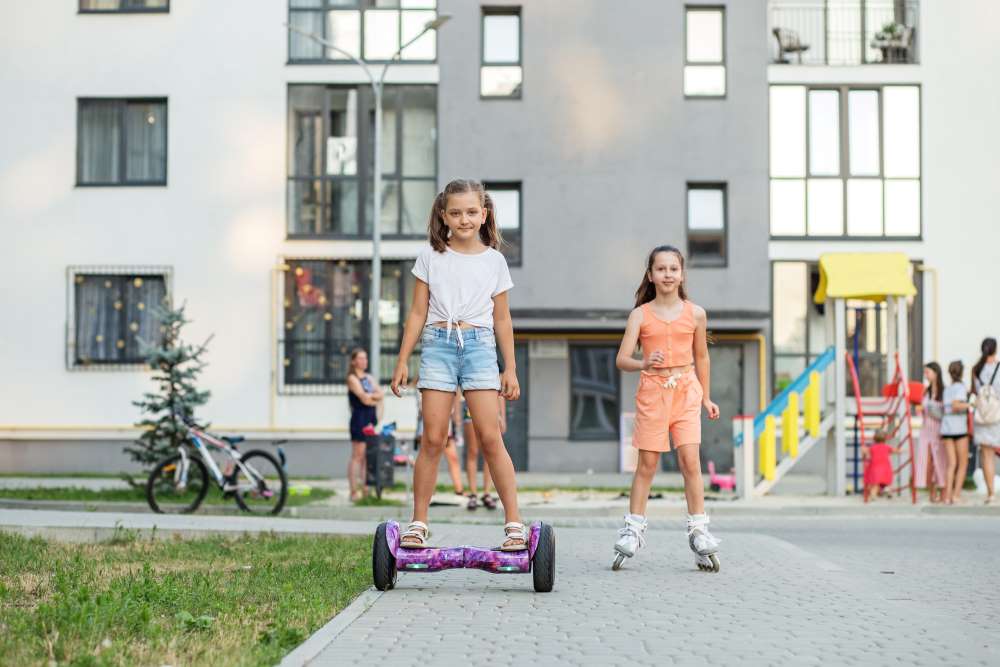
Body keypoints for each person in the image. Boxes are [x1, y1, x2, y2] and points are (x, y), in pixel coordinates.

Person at [390, 179, 524, 550]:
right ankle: (418, 523)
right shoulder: (431, 257)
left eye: (470, 212)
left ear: (483, 214)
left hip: (480, 347)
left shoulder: (494, 260)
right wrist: (403, 360)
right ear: (443, 215)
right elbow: (417, 312)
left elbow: (502, 319)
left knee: (490, 436)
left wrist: (509, 368)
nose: (463, 219)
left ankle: (514, 523)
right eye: (455, 212)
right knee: (433, 438)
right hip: (438, 346)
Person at [611, 245, 722, 571]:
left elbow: (701, 356)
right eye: (661, 269)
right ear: (651, 275)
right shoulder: (640, 315)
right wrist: (645, 362)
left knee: (691, 461)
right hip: (653, 393)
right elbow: (622, 359)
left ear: (682, 274)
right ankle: (633, 529)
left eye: (674, 269)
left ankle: (699, 530)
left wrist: (706, 396)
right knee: (647, 465)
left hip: (687, 391)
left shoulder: (696, 313)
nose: (668, 274)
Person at [413, 377, 465, 496]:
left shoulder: (449, 378)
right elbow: (422, 407)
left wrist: (455, 417)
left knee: (452, 457)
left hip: (446, 423)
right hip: (428, 423)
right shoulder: (423, 382)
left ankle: (459, 489)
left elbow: (454, 399)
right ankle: (428, 490)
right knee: (430, 457)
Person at [458, 385, 504, 511]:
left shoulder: (496, 366)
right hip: (470, 408)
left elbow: (500, 394)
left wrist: (502, 417)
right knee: (472, 451)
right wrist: (456, 417)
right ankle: (473, 494)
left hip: (489, 407)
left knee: (489, 452)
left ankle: (486, 493)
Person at [346, 348, 383, 502]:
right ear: (354, 361)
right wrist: (373, 397)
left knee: (368, 456)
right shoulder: (352, 378)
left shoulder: (368, 377)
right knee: (357, 455)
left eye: (365, 358)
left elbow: (380, 394)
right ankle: (353, 491)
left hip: (370, 418)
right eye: (360, 358)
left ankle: (366, 489)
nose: (364, 361)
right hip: (359, 418)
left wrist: (372, 397)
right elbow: (363, 398)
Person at [971, 337, 1000, 504]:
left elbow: (975, 390)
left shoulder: (976, 369)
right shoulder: (998, 367)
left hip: (982, 416)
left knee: (986, 455)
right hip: (997, 415)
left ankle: (990, 494)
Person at [917, 362, 949, 503]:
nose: (926, 375)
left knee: (941, 463)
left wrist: (931, 410)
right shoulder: (926, 391)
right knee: (928, 463)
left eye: (927, 372)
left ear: (936, 373)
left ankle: (943, 493)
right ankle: (932, 493)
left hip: (939, 430)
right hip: (926, 431)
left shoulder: (945, 391)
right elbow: (922, 411)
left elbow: (945, 413)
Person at [941, 360, 971, 505]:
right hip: (959, 429)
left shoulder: (947, 389)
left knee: (951, 464)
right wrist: (971, 404)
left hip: (946, 428)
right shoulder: (960, 387)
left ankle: (947, 496)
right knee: (962, 463)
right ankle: (956, 495)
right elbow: (956, 405)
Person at [863, 429, 900, 501]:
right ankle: (889, 492)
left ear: (874, 439)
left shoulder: (872, 447)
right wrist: (903, 450)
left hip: (875, 467)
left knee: (875, 483)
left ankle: (873, 495)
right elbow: (895, 451)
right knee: (887, 482)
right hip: (885, 467)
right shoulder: (886, 447)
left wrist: (864, 451)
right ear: (885, 439)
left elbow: (867, 455)